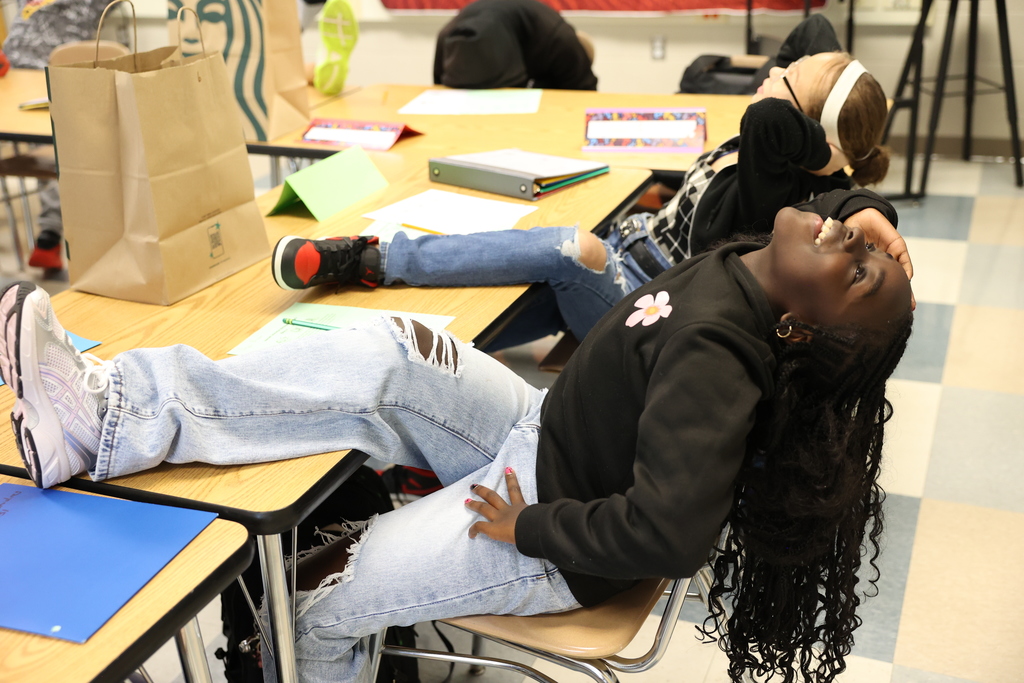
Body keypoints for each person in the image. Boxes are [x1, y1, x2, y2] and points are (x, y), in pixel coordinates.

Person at [0, 186, 914, 683]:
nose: (850, 233)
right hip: (540, 436)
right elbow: (811, 204)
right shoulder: (757, 269)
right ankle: (104, 416)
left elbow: (672, 533)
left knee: (316, 593)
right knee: (387, 352)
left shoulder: (725, 353)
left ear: (804, 327)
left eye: (860, 268)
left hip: (546, 524)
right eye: (861, 238)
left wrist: (533, 528)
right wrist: (870, 211)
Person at [273, 47, 902, 348]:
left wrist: (831, 169)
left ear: (800, 134)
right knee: (506, 301)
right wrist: (805, 95)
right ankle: (362, 346)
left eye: (783, 79)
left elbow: (778, 128)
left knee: (566, 252)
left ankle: (370, 258)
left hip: (653, 308)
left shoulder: (785, 185)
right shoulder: (792, 157)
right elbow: (814, 40)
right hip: (632, 260)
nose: (769, 72)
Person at [3, 0, 113, 271]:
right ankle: (50, 236)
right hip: (16, 69)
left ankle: (49, 236)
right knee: (54, 149)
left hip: (49, 71)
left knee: (59, 149)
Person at [433, 0, 597, 91]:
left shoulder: (547, 31)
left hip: (455, 39)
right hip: (492, 44)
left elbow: (439, 83)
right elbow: (584, 92)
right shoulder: (564, 40)